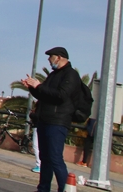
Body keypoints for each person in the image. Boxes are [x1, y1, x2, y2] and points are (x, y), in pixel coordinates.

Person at [23, 46, 81, 192]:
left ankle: (65, 189)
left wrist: (39, 85)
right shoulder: (53, 75)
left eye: (50, 57)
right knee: (45, 158)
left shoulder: (71, 75)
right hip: (44, 120)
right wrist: (32, 87)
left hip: (58, 122)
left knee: (55, 157)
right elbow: (44, 95)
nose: (49, 60)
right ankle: (43, 189)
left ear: (59, 57)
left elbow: (61, 95)